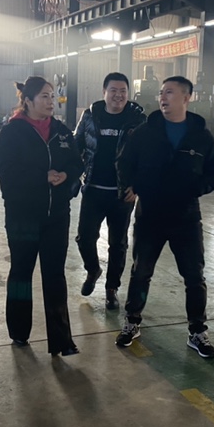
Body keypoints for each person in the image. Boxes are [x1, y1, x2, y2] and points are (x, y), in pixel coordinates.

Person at [115, 76, 214, 359]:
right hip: (150, 214)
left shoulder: (200, 136)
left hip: (186, 216)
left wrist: (196, 189)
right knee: (141, 271)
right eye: (162, 93)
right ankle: (132, 322)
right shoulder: (145, 132)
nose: (163, 97)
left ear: (186, 98)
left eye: (170, 93)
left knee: (194, 276)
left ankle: (197, 331)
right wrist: (130, 185)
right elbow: (124, 161)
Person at [0, 76, 84, 357]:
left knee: (55, 275)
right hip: (23, 215)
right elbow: (6, 170)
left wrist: (66, 175)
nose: (50, 101)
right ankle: (19, 331)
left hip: (57, 215)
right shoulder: (13, 132)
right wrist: (41, 176)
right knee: (21, 272)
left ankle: (61, 340)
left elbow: (77, 163)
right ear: (28, 101)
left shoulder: (61, 132)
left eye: (52, 96)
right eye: (44, 96)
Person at [74, 73, 146, 309]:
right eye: (113, 90)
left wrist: (137, 185)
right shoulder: (90, 115)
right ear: (104, 92)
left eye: (123, 90)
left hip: (122, 194)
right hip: (93, 190)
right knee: (85, 237)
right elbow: (77, 146)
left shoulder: (137, 119)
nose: (118, 95)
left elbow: (146, 156)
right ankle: (93, 269)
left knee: (118, 244)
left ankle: (111, 289)